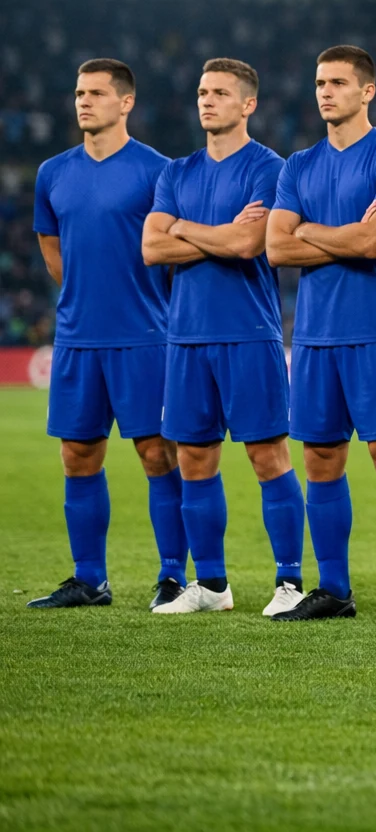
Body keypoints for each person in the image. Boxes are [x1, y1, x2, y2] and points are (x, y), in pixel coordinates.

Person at [266, 45, 376, 623]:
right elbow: (275, 246)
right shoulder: (298, 165)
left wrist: (308, 230)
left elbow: (374, 243)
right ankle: (334, 589)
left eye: (338, 82)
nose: (325, 92)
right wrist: (331, 232)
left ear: (367, 91)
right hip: (312, 338)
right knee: (320, 461)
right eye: (319, 82)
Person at [142, 58, 304, 616]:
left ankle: (289, 582)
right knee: (193, 459)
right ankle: (211, 586)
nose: (206, 101)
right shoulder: (176, 172)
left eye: (220, 93)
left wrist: (182, 227)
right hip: (184, 336)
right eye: (202, 91)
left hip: (248, 333)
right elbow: (151, 248)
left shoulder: (269, 168)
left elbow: (248, 246)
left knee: (268, 456)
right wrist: (209, 231)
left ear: (248, 105)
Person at [28, 59, 184, 610]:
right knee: (78, 454)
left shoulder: (158, 171)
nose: (83, 102)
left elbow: (171, 250)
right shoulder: (53, 173)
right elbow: (53, 251)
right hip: (76, 338)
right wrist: (86, 300)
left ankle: (172, 576)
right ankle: (89, 578)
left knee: (156, 453)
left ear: (126, 103)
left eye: (95, 93)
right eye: (78, 93)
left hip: (144, 335)